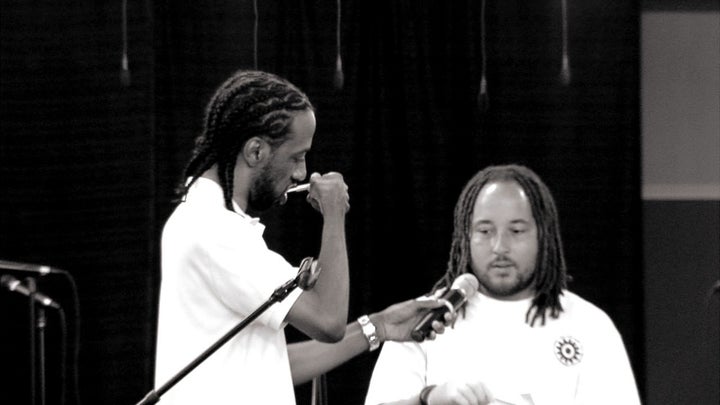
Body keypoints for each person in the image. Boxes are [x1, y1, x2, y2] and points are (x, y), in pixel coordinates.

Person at [153, 69, 447, 405]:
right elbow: (328, 321)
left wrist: (378, 326)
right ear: (256, 151)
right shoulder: (214, 230)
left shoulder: (208, 221)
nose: (301, 173)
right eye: (296, 156)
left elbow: (274, 367)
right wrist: (334, 215)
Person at [364, 164, 641, 405]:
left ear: (542, 235)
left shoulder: (590, 326)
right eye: (485, 231)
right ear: (465, 236)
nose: (500, 247)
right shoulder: (426, 320)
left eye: (517, 231)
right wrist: (431, 398)